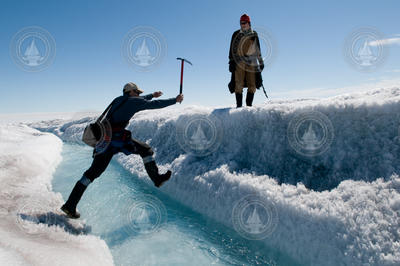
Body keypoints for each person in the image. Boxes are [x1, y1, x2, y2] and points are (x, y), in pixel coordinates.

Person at [61, 82, 184, 218]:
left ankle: (69, 205)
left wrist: (152, 95)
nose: (138, 95)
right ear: (131, 92)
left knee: (91, 174)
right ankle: (157, 179)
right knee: (146, 150)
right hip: (117, 140)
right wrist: (175, 100)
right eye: (137, 92)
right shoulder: (133, 101)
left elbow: (141, 101)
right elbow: (153, 105)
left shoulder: (119, 99)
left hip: (104, 141)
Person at [228, 14, 264, 107]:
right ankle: (239, 106)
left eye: (244, 22)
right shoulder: (236, 34)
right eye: (241, 23)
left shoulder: (254, 34)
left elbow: (257, 49)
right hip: (239, 62)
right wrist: (231, 62)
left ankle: (249, 106)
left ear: (249, 23)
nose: (243, 24)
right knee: (238, 85)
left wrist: (261, 62)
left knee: (252, 85)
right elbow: (231, 49)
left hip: (251, 62)